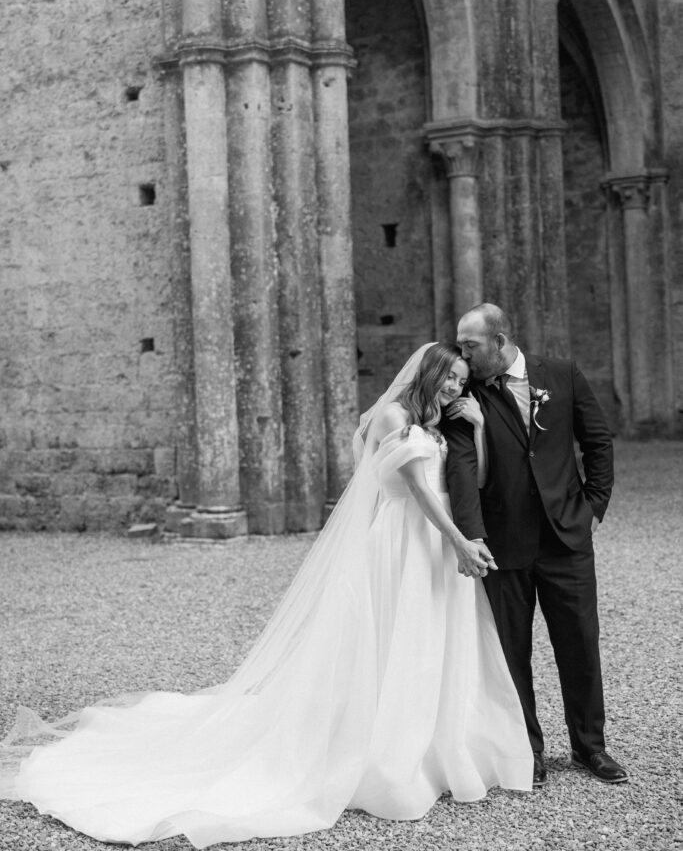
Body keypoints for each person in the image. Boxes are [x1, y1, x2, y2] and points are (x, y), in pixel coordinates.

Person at [1, 342, 532, 849]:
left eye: (462, 381)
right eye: (448, 378)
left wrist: (480, 431)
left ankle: (436, 745)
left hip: (433, 545)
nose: (453, 388)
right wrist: (459, 540)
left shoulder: (444, 423)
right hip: (404, 542)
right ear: (427, 374)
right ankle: (385, 752)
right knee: (396, 640)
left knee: (430, 645)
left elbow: (471, 481)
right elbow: (415, 490)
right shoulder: (394, 418)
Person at [440, 303, 627, 788]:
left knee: (580, 643)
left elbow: (597, 439)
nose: (462, 353)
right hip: (504, 541)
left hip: (566, 536)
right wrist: (472, 533)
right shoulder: (468, 392)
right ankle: (527, 750)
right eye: (461, 344)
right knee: (510, 652)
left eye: (470, 345)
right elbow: (461, 465)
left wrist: (593, 504)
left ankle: (591, 747)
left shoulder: (561, 374)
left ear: (500, 342)